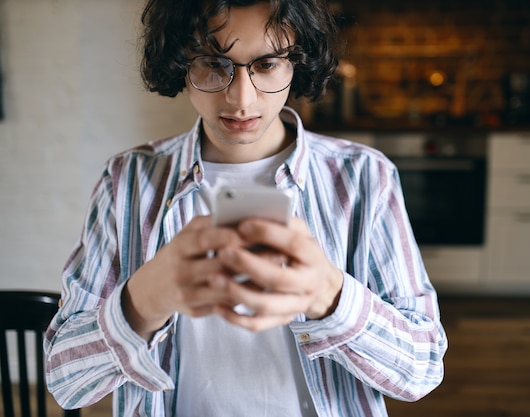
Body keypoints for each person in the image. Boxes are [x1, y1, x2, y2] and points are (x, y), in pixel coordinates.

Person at [44, 0, 447, 416]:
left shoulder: (364, 177)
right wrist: (144, 300)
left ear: (297, 64)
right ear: (180, 63)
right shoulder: (126, 181)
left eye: (267, 64)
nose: (241, 98)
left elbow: (420, 372)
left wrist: (328, 293)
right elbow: (65, 383)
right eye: (213, 64)